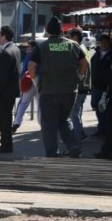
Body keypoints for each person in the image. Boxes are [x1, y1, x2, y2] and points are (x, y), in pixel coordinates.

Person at [28, 16, 88, 158]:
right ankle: (73, 146)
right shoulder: (73, 45)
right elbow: (84, 63)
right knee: (64, 119)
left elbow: (31, 66)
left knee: (49, 123)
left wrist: (36, 81)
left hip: (49, 91)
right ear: (62, 31)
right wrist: (79, 77)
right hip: (70, 91)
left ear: (48, 31)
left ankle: (52, 152)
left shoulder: (41, 47)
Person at [0, 26, 21, 153]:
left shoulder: (6, 53)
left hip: (4, 93)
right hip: (11, 92)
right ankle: (5, 143)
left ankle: (6, 145)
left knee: (3, 120)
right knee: (6, 118)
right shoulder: (15, 49)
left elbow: (1, 77)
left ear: (3, 36)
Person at [90, 34, 112, 138]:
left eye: (105, 42)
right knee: (97, 108)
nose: (103, 44)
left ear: (109, 42)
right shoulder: (96, 53)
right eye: (101, 42)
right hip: (96, 86)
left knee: (106, 110)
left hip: (108, 88)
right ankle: (101, 129)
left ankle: (108, 131)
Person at [67, 28, 91, 143]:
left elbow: (83, 65)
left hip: (80, 86)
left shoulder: (77, 48)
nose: (67, 39)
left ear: (75, 38)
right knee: (77, 112)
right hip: (84, 86)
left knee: (74, 114)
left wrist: (78, 78)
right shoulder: (84, 48)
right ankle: (80, 133)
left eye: (69, 37)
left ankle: (76, 139)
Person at [13, 40, 39, 133]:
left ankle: (17, 122)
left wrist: (20, 80)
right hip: (39, 81)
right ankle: (42, 124)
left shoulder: (29, 55)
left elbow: (25, 69)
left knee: (23, 103)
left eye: (28, 46)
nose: (27, 48)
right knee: (40, 104)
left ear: (32, 47)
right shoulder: (41, 53)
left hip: (29, 80)